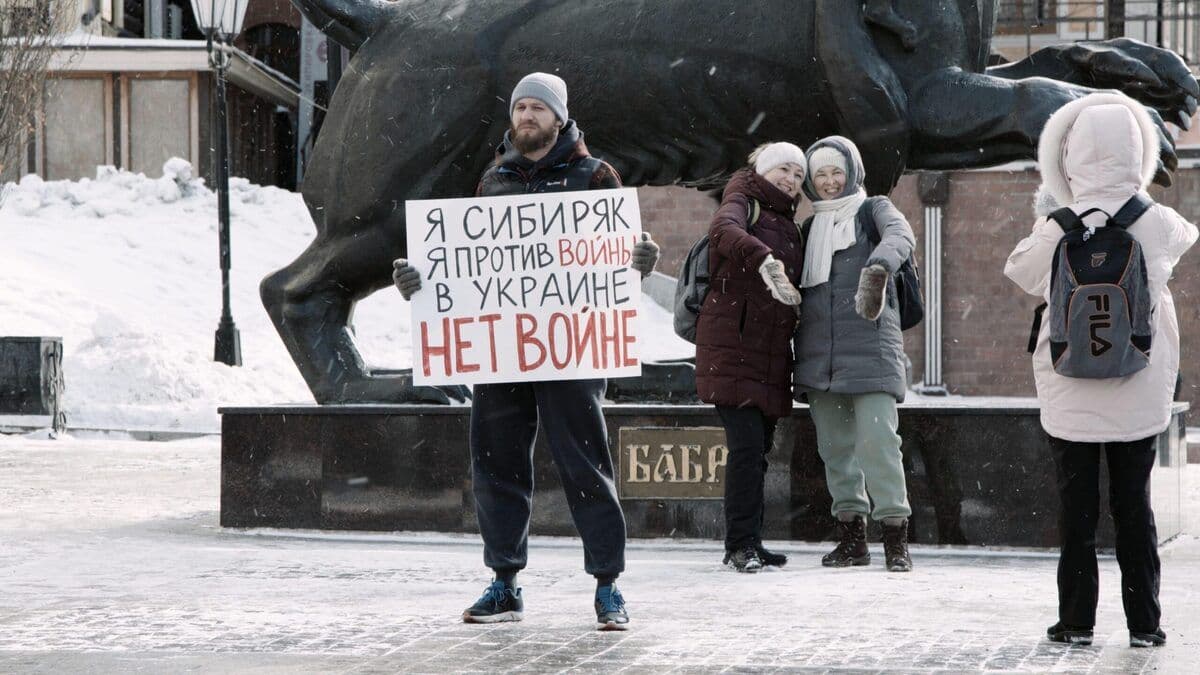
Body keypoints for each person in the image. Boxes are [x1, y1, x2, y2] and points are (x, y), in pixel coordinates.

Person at [391, 73, 661, 630]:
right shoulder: (493, 179)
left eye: (539, 107)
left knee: (586, 464)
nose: (528, 116)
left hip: (571, 345)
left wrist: (639, 260)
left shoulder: (594, 175)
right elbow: (465, 264)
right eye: (520, 108)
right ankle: (504, 582)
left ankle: (608, 584)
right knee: (496, 463)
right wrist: (420, 281)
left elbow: (618, 256)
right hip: (500, 348)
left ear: (559, 118)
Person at [1004, 92, 1196, 648]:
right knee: (1134, 508)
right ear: (1138, 151)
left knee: (1077, 512)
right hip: (1138, 381)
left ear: (1068, 155)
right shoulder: (1155, 220)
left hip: (1070, 386)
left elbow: (1019, 271)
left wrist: (1054, 216)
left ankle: (1076, 622)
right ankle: (1145, 625)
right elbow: (1187, 237)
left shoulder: (1057, 225)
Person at [792, 135, 916, 572]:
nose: (829, 182)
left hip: (871, 351)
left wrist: (878, 267)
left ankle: (896, 539)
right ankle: (852, 539)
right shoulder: (810, 227)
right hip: (819, 357)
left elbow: (901, 235)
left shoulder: (873, 209)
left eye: (836, 172)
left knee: (879, 445)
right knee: (835, 449)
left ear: (852, 173)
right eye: (821, 175)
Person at [694, 142, 807, 573]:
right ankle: (739, 544)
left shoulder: (788, 222)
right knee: (745, 449)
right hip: (734, 347)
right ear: (763, 168)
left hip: (769, 352)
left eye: (798, 175)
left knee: (758, 451)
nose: (790, 180)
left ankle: (751, 541)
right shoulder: (742, 199)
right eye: (783, 170)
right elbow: (723, 230)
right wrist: (765, 260)